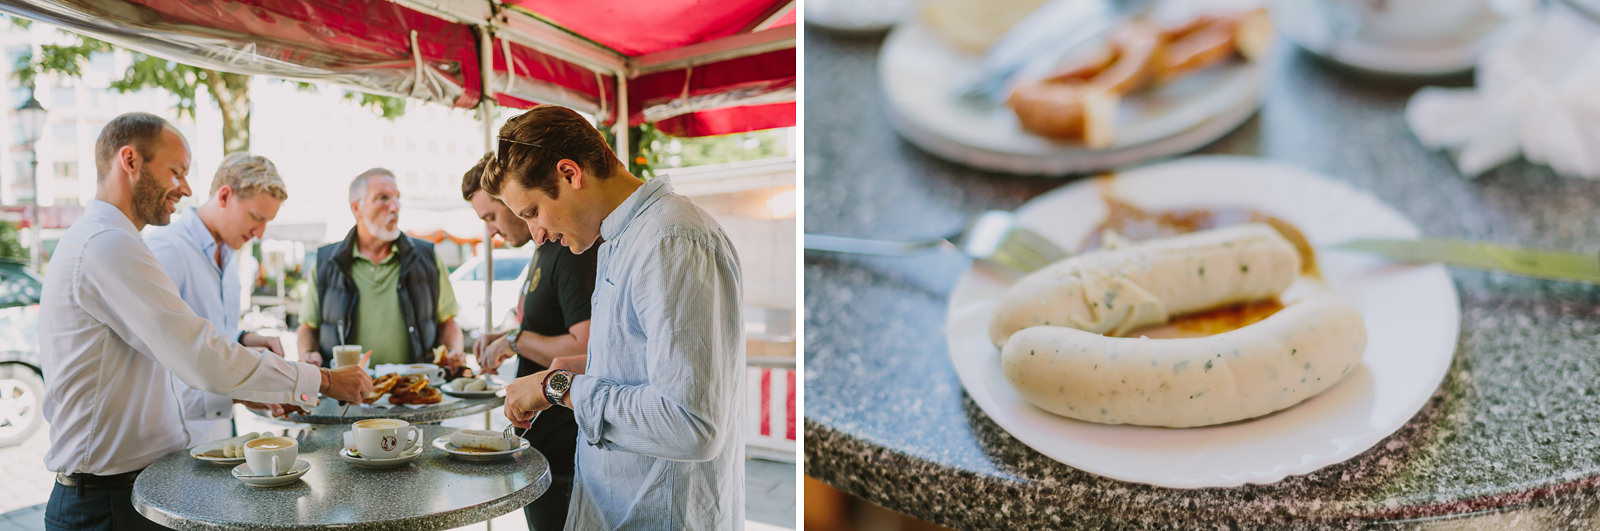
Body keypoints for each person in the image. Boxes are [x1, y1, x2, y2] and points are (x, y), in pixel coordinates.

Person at [39, 112, 372, 531]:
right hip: (106, 502)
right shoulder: (108, 244)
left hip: (133, 487)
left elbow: (181, 354)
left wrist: (249, 382)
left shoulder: (114, 240)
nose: (187, 188)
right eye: (176, 171)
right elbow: (198, 354)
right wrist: (320, 380)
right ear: (130, 161)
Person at [487, 105, 746, 529]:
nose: (537, 234)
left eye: (532, 212)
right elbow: (648, 365)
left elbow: (692, 424)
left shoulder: (671, 238)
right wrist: (591, 365)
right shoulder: (618, 239)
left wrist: (560, 388)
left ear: (570, 174)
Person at [462, 152, 597, 530]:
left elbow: (584, 346)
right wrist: (509, 334)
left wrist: (518, 339)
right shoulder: (543, 248)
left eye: (490, 216)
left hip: (566, 451)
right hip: (542, 443)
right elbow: (536, 324)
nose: (491, 231)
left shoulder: (568, 250)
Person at [146, 152, 292, 443]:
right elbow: (156, 357)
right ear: (224, 196)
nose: (259, 233)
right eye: (256, 218)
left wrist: (241, 338)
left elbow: (200, 330)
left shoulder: (229, 254)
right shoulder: (167, 251)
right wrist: (240, 393)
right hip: (173, 441)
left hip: (217, 433)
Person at [296, 168, 463, 367]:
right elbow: (308, 327)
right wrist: (307, 353)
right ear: (356, 209)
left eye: (397, 198)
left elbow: (448, 323)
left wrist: (453, 351)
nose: (395, 206)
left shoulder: (427, 257)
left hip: (414, 390)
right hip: (346, 394)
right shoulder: (327, 262)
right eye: (383, 198)